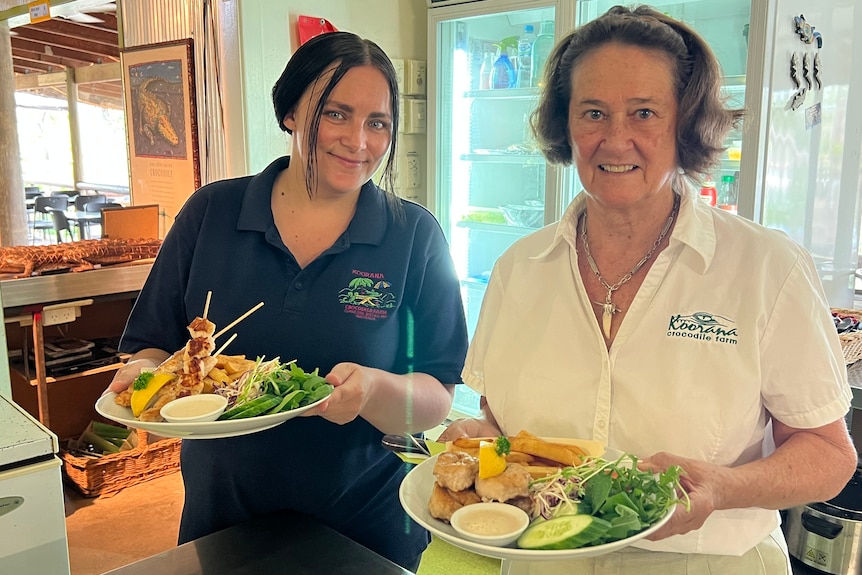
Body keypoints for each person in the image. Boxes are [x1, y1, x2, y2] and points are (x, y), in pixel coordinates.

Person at [439, 5, 857, 574]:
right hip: (545, 558)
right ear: (565, 123)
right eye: (593, 112)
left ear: (684, 124)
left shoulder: (766, 267)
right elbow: (500, 423)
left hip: (706, 561)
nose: (615, 140)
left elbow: (829, 455)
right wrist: (477, 442)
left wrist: (723, 487)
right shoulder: (519, 268)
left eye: (644, 112)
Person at [108, 31, 468, 571]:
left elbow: (435, 394)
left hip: (366, 523)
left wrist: (373, 390)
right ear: (291, 113)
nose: (359, 140)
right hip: (223, 518)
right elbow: (154, 348)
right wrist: (139, 377)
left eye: (378, 122)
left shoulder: (412, 234)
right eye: (336, 114)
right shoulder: (212, 213)